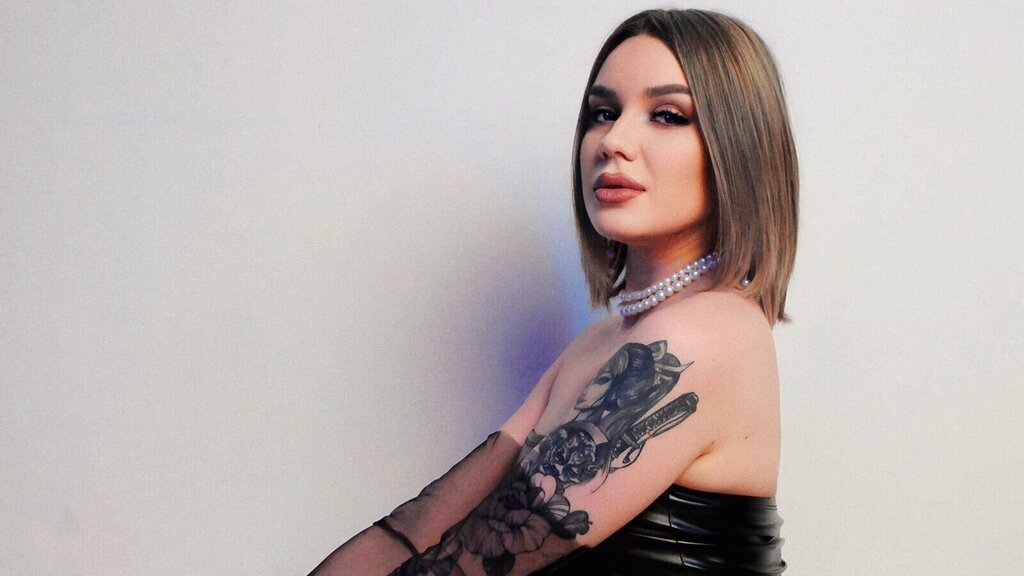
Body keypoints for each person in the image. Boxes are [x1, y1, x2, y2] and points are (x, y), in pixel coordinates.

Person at [310, 8, 797, 575]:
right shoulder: (599, 343)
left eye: (667, 116)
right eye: (603, 113)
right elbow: (419, 528)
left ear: (738, 148)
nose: (613, 140)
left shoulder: (707, 334)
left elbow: (466, 564)